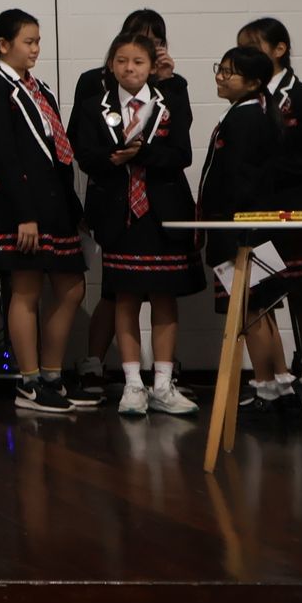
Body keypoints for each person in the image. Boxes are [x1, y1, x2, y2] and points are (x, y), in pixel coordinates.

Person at [70, 32, 202, 418]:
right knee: (124, 297)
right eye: (122, 61)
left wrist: (145, 153)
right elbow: (84, 154)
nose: (130, 68)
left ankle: (162, 383)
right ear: (111, 64)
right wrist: (111, 159)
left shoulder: (171, 103)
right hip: (118, 212)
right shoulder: (96, 105)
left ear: (151, 67)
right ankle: (132, 383)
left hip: (163, 212)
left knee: (164, 296)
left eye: (138, 62)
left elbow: (182, 155)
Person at [0, 9, 87, 414]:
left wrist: (74, 206)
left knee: (72, 287)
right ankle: (30, 381)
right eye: (28, 41)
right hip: (21, 206)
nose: (36, 49)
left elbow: (59, 153)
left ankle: (52, 375)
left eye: (38, 41)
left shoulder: (38, 88)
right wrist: (26, 213)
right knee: (26, 289)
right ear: (3, 45)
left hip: (54, 203)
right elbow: (3, 155)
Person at [197, 45, 302, 422]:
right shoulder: (250, 113)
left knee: (252, 310)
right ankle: (282, 386)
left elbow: (236, 180)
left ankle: (264, 390)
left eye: (230, 72)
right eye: (220, 69)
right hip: (252, 226)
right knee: (264, 310)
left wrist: (225, 222)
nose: (221, 77)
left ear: (254, 82)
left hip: (242, 231)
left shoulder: (244, 119)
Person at [237, 17, 302, 412]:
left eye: (253, 47)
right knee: (262, 296)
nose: (245, 56)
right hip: (257, 213)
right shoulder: (247, 98)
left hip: (298, 211)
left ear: (279, 50)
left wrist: (265, 172)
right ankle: (274, 382)